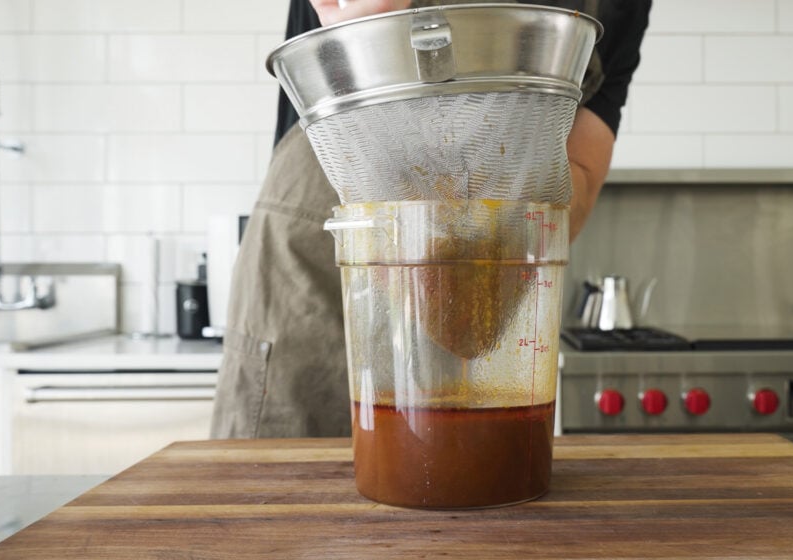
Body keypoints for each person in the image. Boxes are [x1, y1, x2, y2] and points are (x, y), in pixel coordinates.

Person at [210, 0, 651, 438]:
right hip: (321, 240)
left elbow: (582, 170)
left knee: (463, 487)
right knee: (284, 494)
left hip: (493, 255)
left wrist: (481, 274)